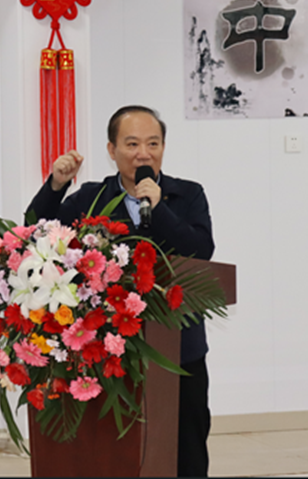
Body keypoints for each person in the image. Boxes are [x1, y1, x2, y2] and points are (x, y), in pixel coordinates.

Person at [26, 105, 215, 477]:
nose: (143, 153)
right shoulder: (90, 199)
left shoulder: (187, 195)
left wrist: (158, 208)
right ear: (111, 150)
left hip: (178, 348)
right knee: (111, 449)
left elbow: (200, 251)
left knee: (187, 449)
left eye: (153, 143)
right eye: (132, 144)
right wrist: (56, 186)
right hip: (107, 350)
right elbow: (36, 234)